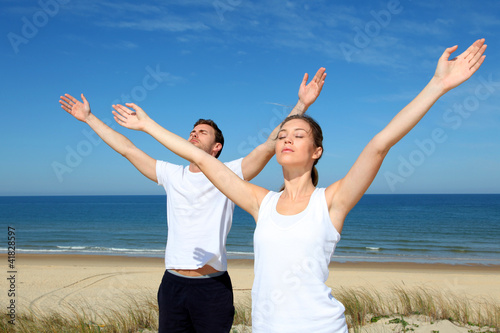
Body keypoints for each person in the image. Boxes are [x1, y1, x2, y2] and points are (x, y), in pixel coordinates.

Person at [111, 39, 486, 332]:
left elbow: (380, 143)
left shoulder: (332, 202)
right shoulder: (261, 203)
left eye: (299, 134)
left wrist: (437, 85)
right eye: (283, 134)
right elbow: (206, 162)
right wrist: (149, 126)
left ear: (316, 151)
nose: (286, 139)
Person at [59, 67, 327, 332]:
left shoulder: (231, 174)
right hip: (172, 286)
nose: (194, 134)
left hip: (211, 287)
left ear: (216, 147)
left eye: (203, 132)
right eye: (193, 131)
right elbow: (128, 149)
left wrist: (302, 103)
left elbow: (271, 145)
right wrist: (89, 118)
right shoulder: (171, 175)